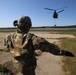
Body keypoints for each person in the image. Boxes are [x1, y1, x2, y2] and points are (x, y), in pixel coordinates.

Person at [4, 16, 74, 75]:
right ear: (28, 25)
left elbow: (9, 47)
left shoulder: (8, 36)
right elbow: (50, 48)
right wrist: (65, 52)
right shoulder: (32, 39)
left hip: (16, 64)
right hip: (28, 69)